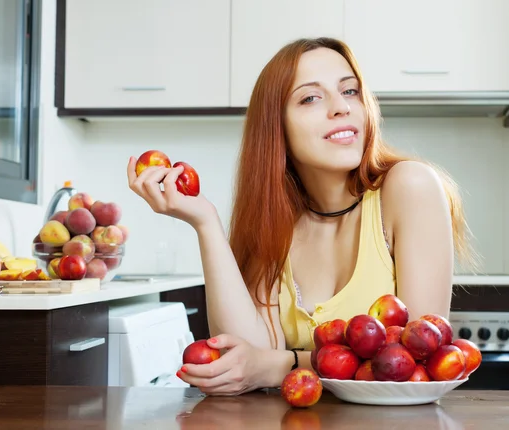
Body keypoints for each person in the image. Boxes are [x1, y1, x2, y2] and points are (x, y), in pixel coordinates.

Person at [127, 37, 477, 396]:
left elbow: (416, 360)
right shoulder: (276, 222)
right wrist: (205, 223)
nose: (341, 107)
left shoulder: (409, 186)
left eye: (351, 91)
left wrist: (284, 364)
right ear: (276, 127)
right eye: (311, 98)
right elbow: (243, 362)